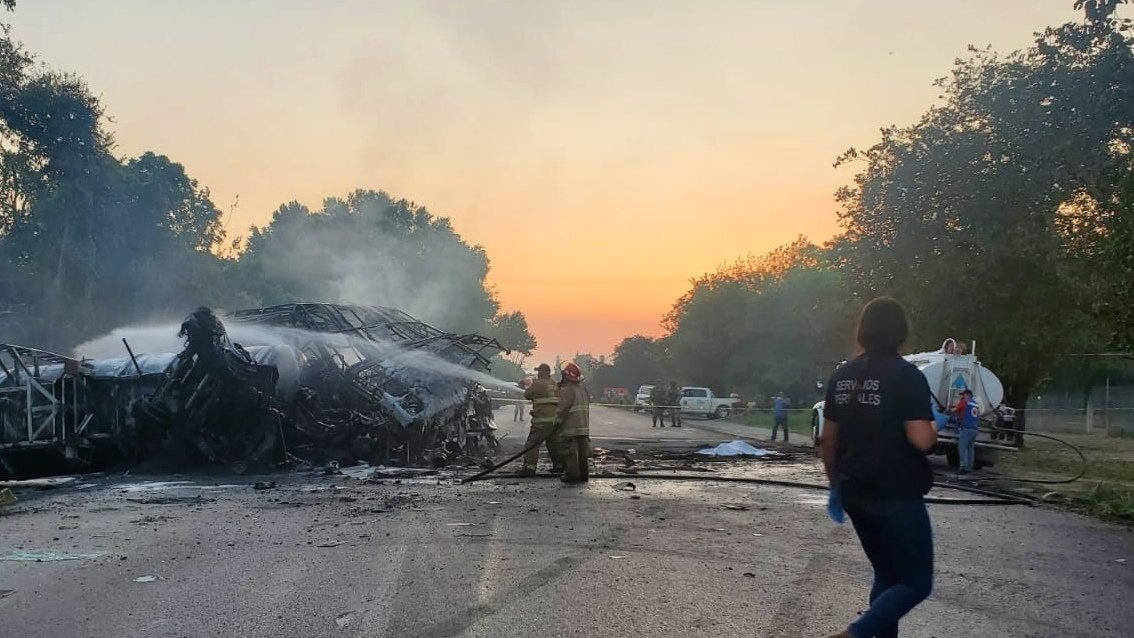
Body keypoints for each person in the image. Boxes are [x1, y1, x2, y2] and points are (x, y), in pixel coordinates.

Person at [820, 297, 937, 638]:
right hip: (896, 494)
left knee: (887, 576)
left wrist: (835, 485)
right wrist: (935, 426)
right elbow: (921, 440)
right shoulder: (905, 375)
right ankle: (855, 633)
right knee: (916, 582)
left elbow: (828, 439)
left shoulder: (841, 375)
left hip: (855, 491)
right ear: (900, 331)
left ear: (863, 330)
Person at [519, 364, 563, 476]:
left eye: (539, 371)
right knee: (554, 444)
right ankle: (559, 466)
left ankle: (529, 468)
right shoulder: (555, 384)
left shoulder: (537, 384)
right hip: (555, 422)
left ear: (544, 372)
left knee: (532, 443)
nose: (538, 374)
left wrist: (529, 386)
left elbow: (527, 395)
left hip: (541, 422)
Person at [555, 360, 590, 484]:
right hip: (584, 428)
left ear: (565, 376)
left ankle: (572, 476)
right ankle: (584, 475)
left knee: (570, 453)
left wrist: (557, 421)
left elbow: (562, 408)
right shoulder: (583, 390)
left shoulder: (567, 390)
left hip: (570, 428)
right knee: (583, 454)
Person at [956, 388, 980, 474]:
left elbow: (955, 409)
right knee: (970, 449)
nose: (962, 396)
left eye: (963, 395)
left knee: (962, 448)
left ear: (967, 395)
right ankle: (970, 467)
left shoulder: (965, 402)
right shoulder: (976, 404)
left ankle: (963, 467)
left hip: (966, 428)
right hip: (974, 429)